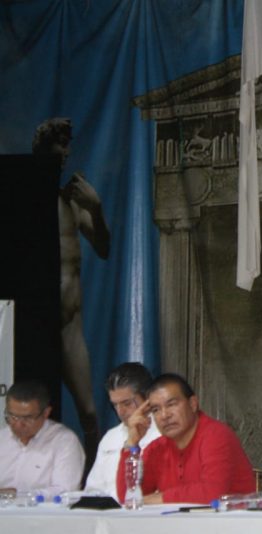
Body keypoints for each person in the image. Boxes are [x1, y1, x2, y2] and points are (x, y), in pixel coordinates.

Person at [32, 118, 111, 459]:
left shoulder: (74, 204)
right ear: (40, 150)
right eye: (57, 145)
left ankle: (92, 478)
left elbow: (103, 249)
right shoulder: (24, 200)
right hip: (32, 324)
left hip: (68, 327)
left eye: (67, 145)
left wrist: (97, 207)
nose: (64, 153)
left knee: (89, 413)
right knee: (34, 410)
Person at [116, 373, 254, 504]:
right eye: (156, 410)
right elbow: (128, 498)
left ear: (193, 404)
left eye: (171, 404)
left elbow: (213, 493)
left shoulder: (216, 435)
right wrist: (131, 442)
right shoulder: (157, 448)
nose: (164, 415)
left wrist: (160, 498)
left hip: (230, 520)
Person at [84, 363, 161, 499]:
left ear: (148, 399)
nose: (120, 411)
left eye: (127, 403)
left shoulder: (163, 433)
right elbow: (92, 489)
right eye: (115, 405)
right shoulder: (110, 437)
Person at [0, 380, 85, 498]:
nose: (19, 424)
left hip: (43, 510)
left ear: (46, 413)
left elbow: (65, 491)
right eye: (13, 416)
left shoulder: (64, 441)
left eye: (27, 418)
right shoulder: (2, 438)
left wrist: (18, 496)